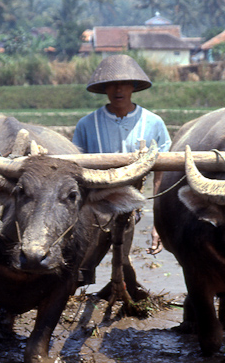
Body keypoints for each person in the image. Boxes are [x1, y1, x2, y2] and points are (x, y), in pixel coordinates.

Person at [73, 54, 170, 255]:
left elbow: (161, 174)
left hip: (134, 199)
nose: (118, 90)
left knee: (124, 255)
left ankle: (123, 277)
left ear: (133, 87)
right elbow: (75, 171)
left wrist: (158, 224)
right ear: (104, 88)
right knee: (88, 258)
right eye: (112, 84)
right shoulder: (87, 124)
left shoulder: (153, 123)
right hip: (97, 203)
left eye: (124, 84)